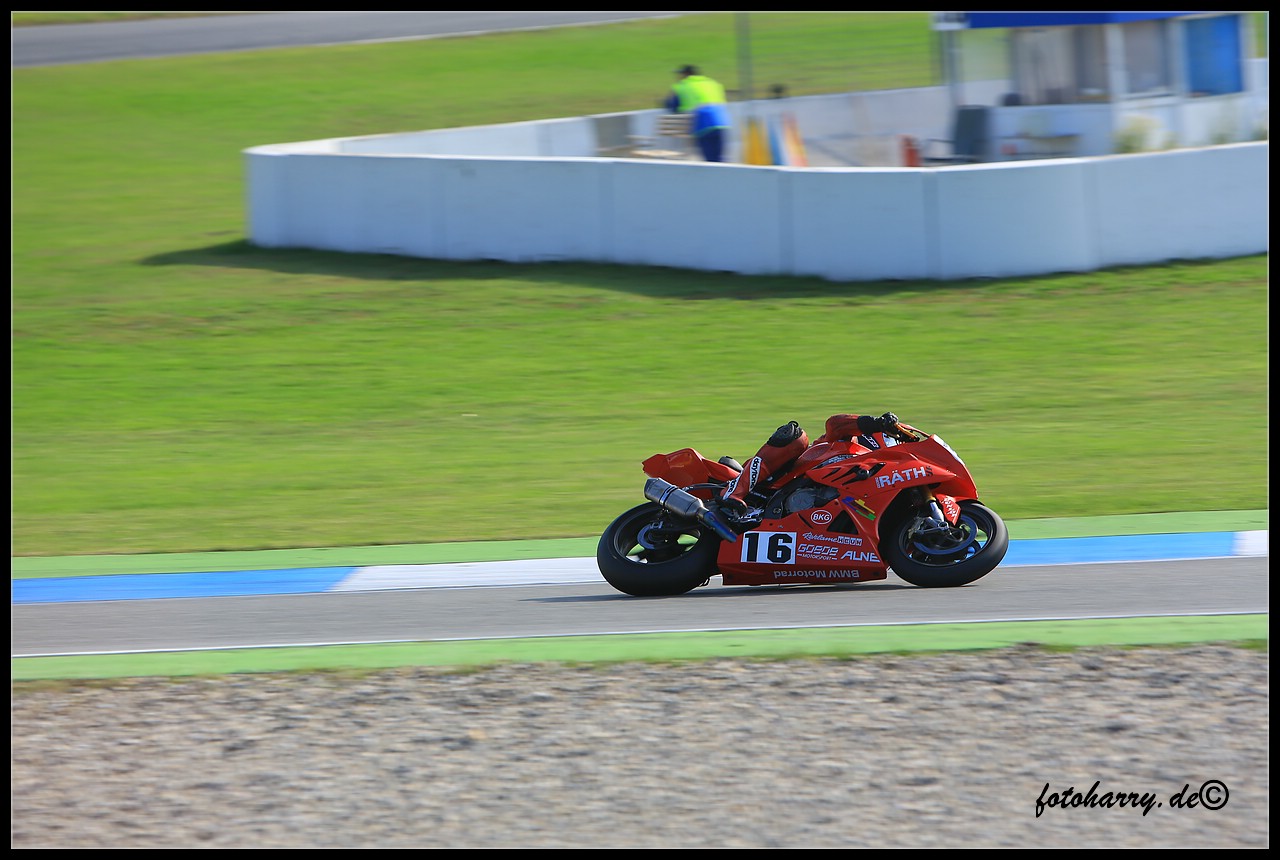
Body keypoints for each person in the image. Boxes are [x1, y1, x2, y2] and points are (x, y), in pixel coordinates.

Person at [720, 412, 902, 512]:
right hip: (786, 477)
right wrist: (876, 423)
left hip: (824, 505)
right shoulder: (856, 439)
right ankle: (734, 492)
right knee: (796, 436)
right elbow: (834, 424)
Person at [665, 64, 732, 162]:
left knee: (710, 159)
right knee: (720, 158)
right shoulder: (712, 83)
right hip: (721, 122)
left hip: (703, 123)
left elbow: (672, 106)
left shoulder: (682, 86)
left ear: (685, 74)